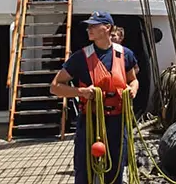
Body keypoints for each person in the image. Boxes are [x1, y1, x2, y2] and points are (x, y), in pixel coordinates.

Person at [50, 12, 138, 184]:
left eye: (94, 25)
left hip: (117, 123)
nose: (89, 29)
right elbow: (55, 87)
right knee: (84, 170)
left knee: (115, 170)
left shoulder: (125, 54)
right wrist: (80, 92)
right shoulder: (80, 58)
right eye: (89, 25)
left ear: (107, 28)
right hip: (90, 122)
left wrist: (132, 89)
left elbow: (133, 80)